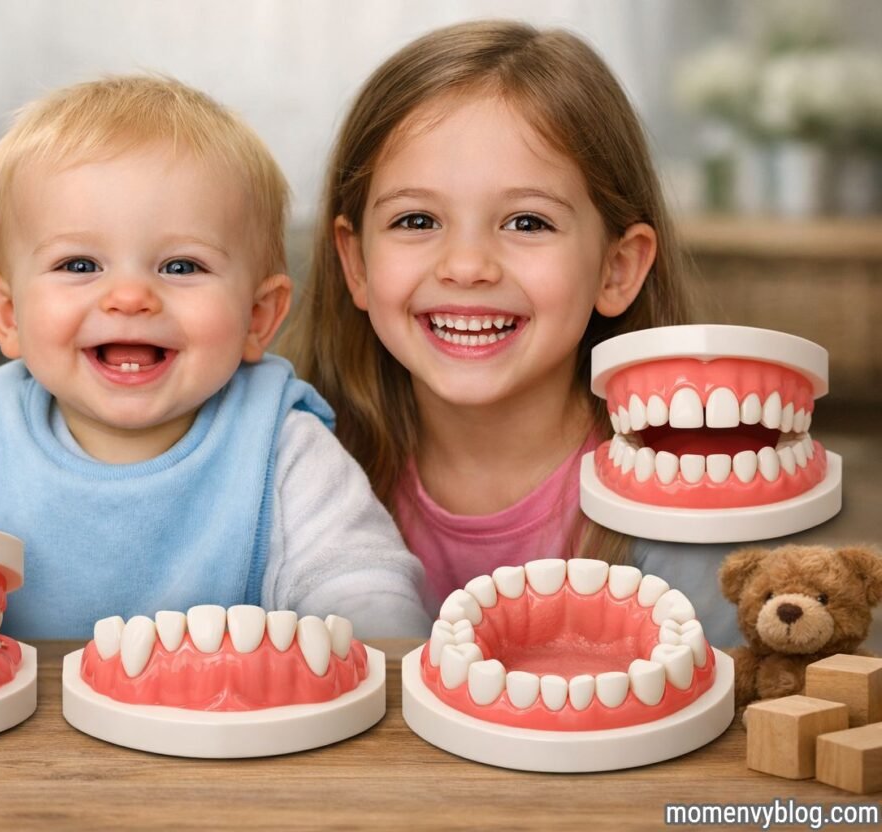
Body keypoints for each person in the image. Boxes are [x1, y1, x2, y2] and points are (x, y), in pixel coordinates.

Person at [0, 76, 429, 639]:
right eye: (80, 265)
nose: (130, 297)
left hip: (222, 700)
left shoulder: (283, 450)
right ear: (8, 315)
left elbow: (361, 588)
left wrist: (373, 635)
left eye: (181, 266)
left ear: (257, 317)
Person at [284, 21, 741, 647]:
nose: (467, 265)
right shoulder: (296, 475)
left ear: (616, 268)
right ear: (356, 262)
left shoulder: (686, 501)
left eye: (527, 222)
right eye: (416, 220)